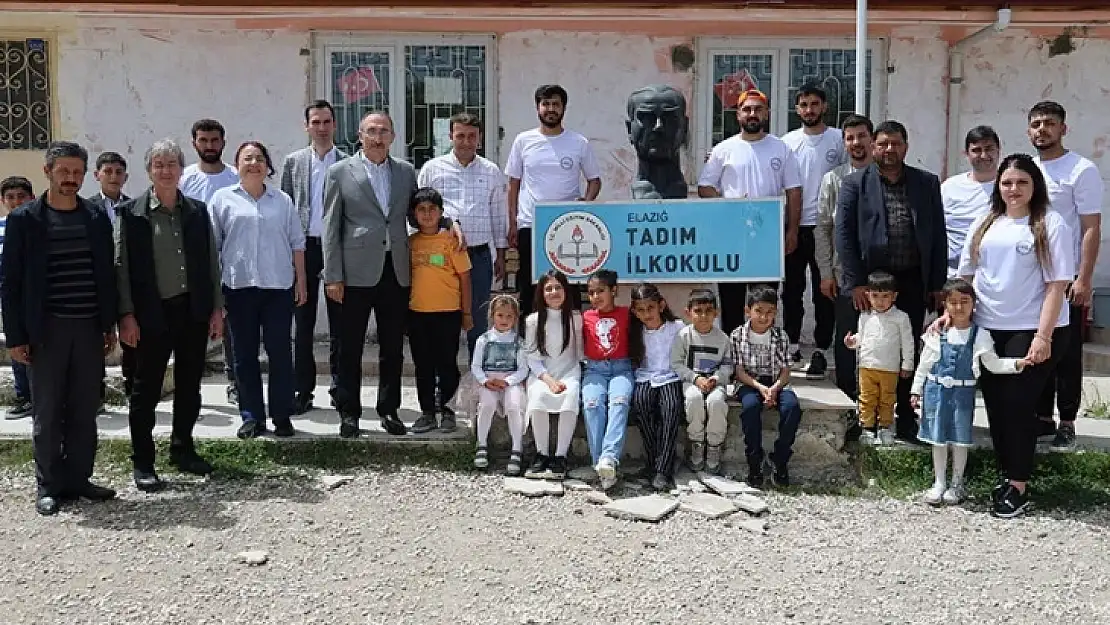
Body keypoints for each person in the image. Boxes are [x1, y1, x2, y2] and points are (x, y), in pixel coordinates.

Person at [322, 111, 462, 439]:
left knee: (391, 347)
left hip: (397, 270)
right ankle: (349, 412)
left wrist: (448, 223)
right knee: (349, 346)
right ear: (360, 135)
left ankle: (389, 410)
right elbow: (330, 226)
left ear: (393, 136)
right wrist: (332, 275)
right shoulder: (340, 172)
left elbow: (418, 215)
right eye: (371, 130)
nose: (378, 136)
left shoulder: (404, 172)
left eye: (384, 130)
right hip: (354, 272)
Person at [1, 142, 119, 516]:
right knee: (48, 412)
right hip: (45, 332)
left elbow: (106, 274)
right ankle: (49, 485)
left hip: (88, 328)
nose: (70, 179)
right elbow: (11, 283)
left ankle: (79, 478)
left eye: (77, 172)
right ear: (47, 170)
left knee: (85, 409)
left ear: (85, 175)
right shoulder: (26, 220)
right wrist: (16, 336)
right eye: (63, 171)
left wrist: (108, 324)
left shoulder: (96, 216)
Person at [955, 153, 1073, 518]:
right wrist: (953, 316)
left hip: (1033, 328)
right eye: (1007, 183)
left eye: (1022, 182)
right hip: (990, 328)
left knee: (1019, 405)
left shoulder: (1049, 223)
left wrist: (1043, 337)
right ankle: (1007, 474)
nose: (1014, 189)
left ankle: (1019, 485)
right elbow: (967, 279)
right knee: (995, 405)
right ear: (998, 187)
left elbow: (1057, 285)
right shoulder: (986, 221)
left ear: (1034, 185)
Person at [116, 138, 224, 492]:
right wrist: (126, 315)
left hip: (191, 310)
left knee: (189, 386)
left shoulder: (195, 211)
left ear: (181, 169)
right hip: (150, 314)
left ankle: (183, 449)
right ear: (149, 171)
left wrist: (216, 308)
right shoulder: (131, 213)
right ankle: (143, 462)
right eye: (159, 164)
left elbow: (211, 261)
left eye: (172, 164)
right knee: (145, 390)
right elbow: (122, 268)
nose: (166, 170)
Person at [835, 119, 946, 443]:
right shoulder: (854, 184)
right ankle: (860, 414)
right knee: (861, 348)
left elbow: (938, 235)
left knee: (905, 349)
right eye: (883, 144)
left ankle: (905, 418)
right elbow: (843, 235)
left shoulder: (926, 183)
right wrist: (855, 282)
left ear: (906, 146)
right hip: (869, 282)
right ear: (873, 147)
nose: (889, 150)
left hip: (911, 281)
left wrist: (937, 284)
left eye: (895, 144)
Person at [209, 141, 307, 440]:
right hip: (238, 288)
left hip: (278, 287)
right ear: (237, 165)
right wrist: (215, 296)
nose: (254, 163)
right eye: (247, 158)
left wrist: (301, 280)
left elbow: (297, 243)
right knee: (244, 355)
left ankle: (282, 415)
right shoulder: (222, 199)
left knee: (280, 353)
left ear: (268, 166)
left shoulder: (282, 201)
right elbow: (213, 248)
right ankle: (252, 416)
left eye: (260, 158)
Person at [1029, 101, 1104, 452]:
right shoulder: (1025, 169)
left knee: (1067, 351)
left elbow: (1091, 227)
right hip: (1032, 278)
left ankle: (1068, 420)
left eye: (1049, 123)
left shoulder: (1081, 169)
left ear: (1063, 129)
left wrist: (1084, 279)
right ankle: (1042, 418)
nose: (1042, 129)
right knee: (1038, 345)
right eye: (1036, 124)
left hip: (1068, 277)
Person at [910, 278, 1026, 506]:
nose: (959, 307)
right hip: (936, 393)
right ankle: (939, 482)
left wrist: (1017, 364)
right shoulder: (937, 332)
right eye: (952, 302)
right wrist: (916, 390)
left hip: (962, 395)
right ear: (945, 305)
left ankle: (957, 483)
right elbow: (924, 364)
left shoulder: (979, 335)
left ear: (974, 304)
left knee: (960, 440)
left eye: (964, 301)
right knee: (938, 439)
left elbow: (992, 364)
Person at [697, 88, 803, 334]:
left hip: (768, 236)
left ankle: (764, 353)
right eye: (747, 109)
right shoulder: (723, 149)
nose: (752, 114)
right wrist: (729, 204)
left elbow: (794, 191)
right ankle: (733, 357)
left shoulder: (781, 148)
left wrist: (792, 230)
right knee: (731, 298)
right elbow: (705, 187)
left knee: (764, 298)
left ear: (766, 113)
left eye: (758, 109)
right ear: (738, 115)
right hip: (731, 237)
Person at [506, 84, 602, 319]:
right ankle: (529, 339)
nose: (551, 109)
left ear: (563, 108)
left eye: (556, 104)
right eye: (546, 104)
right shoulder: (523, 140)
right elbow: (513, 185)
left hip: (567, 226)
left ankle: (571, 338)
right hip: (531, 223)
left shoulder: (578, 142)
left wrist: (584, 202)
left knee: (567, 284)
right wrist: (513, 222)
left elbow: (595, 181)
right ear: (538, 108)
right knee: (531, 285)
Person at [418, 111, 508, 359]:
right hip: (442, 257)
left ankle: (477, 382)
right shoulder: (432, 169)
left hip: (478, 257)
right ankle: (443, 385)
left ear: (479, 138)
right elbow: (419, 210)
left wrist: (500, 255)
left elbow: (499, 215)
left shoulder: (491, 171)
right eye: (460, 136)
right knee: (443, 319)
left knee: (477, 321)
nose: (466, 142)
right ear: (450, 136)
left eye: (472, 136)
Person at [280, 99, 347, 415]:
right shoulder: (293, 163)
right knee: (302, 324)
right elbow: (285, 206)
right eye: (315, 122)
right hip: (303, 248)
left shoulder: (347, 162)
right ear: (306, 126)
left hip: (338, 249)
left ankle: (339, 388)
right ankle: (302, 390)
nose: (321, 128)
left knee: (341, 324)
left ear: (335, 125)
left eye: (326, 122)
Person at [815, 114, 874, 439]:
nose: (856, 143)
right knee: (846, 341)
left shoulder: (884, 177)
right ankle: (849, 406)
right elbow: (823, 229)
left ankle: (877, 408)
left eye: (861, 136)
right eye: (850, 138)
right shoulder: (833, 180)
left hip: (880, 281)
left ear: (871, 139)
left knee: (880, 341)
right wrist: (825, 271)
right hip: (843, 276)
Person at [781, 85, 844, 378]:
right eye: (804, 104)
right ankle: (791, 343)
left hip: (827, 227)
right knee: (792, 290)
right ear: (797, 109)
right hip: (795, 226)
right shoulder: (787, 142)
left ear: (824, 106)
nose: (810, 109)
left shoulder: (838, 139)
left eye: (814, 104)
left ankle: (820, 349)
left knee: (825, 291)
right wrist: (789, 229)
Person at [180, 118, 241, 405]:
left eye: (214, 140)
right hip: (192, 265)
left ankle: (235, 382)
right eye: (203, 141)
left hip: (229, 263)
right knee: (192, 328)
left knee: (232, 328)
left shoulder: (236, 176)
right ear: (194, 143)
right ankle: (190, 387)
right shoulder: (184, 178)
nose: (209, 146)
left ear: (223, 143)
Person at [406, 187, 472, 434]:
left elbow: (465, 278)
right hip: (417, 313)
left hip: (448, 313)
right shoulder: (410, 243)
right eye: (421, 209)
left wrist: (466, 313)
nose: (427, 214)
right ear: (414, 213)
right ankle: (427, 413)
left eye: (432, 209)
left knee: (447, 364)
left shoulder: (452, 241)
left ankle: (448, 411)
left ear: (441, 212)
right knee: (423, 365)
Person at [729, 285, 801, 487]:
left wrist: (774, 388)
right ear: (747, 311)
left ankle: (780, 457)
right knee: (751, 407)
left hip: (776, 382)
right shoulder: (737, 335)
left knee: (792, 408)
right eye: (758, 311)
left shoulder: (780, 336)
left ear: (776, 313)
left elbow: (786, 371)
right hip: (749, 382)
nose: (763, 317)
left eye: (769, 312)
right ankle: (754, 459)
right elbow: (739, 371)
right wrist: (761, 388)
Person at [523, 270, 584, 481]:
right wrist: (548, 380)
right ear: (541, 293)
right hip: (543, 374)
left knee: (570, 396)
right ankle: (542, 454)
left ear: (566, 290)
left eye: (558, 287)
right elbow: (531, 356)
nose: (554, 292)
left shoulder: (576, 319)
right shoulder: (533, 321)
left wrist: (568, 377)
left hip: (569, 371)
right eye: (548, 288)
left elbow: (579, 353)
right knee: (538, 398)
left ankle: (560, 456)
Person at [843, 271, 914, 446]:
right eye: (875, 296)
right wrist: (852, 342)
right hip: (867, 366)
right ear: (868, 295)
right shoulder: (865, 316)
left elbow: (908, 342)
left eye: (885, 296)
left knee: (887, 399)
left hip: (889, 367)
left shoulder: (901, 318)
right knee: (867, 398)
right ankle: (867, 428)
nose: (880, 301)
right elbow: (863, 337)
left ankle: (885, 427)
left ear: (894, 296)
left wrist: (907, 365)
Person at [628, 282, 685, 491]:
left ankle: (663, 469)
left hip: (670, 377)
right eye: (641, 310)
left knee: (670, 408)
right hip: (645, 377)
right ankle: (654, 461)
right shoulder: (635, 332)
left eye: (650, 308)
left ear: (661, 306)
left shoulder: (677, 328)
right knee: (641, 404)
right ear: (634, 311)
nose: (646, 314)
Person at [88, 151, 132, 413]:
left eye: (118, 172)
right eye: (108, 171)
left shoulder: (134, 207)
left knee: (132, 340)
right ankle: (96, 396)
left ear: (125, 176)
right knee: (96, 343)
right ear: (97, 175)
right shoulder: (86, 208)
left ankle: (132, 391)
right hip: (98, 284)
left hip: (126, 283)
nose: (113, 177)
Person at [581, 269, 633, 491]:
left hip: (621, 368)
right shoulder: (585, 318)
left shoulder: (627, 314)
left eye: (600, 291)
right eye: (591, 293)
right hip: (594, 370)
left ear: (614, 290)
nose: (595, 297)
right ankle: (600, 464)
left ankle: (609, 458)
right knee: (592, 405)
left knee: (619, 402)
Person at [672, 288, 733, 474]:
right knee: (693, 399)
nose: (704, 316)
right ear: (688, 312)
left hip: (715, 382)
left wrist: (716, 378)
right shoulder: (684, 336)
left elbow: (728, 365)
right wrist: (695, 378)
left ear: (717, 313)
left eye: (709, 311)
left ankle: (714, 445)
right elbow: (677, 363)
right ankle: (697, 443)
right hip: (691, 381)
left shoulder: (722, 338)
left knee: (716, 402)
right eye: (698, 311)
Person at [471, 294, 528, 475]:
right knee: (487, 404)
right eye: (500, 315)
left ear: (515, 318)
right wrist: (485, 381)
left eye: (509, 316)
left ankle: (517, 449)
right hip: (489, 381)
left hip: (510, 381)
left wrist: (508, 381)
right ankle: (481, 444)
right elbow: (476, 366)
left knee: (513, 406)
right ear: (492, 316)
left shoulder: (519, 343)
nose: (504, 320)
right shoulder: (484, 340)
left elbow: (522, 369)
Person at [942, 127, 999, 279]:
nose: (984, 155)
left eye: (989, 149)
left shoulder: (1008, 186)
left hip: (993, 275)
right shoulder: (949, 187)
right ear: (966, 154)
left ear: (999, 150)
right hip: (952, 277)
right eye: (976, 150)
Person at [1, 176, 35, 419]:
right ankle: (23, 396)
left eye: (21, 196)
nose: (16, 202)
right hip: (10, 298)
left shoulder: (39, 225)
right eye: (10, 197)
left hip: (34, 298)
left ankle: (40, 395)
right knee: (16, 345)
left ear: (31, 198)